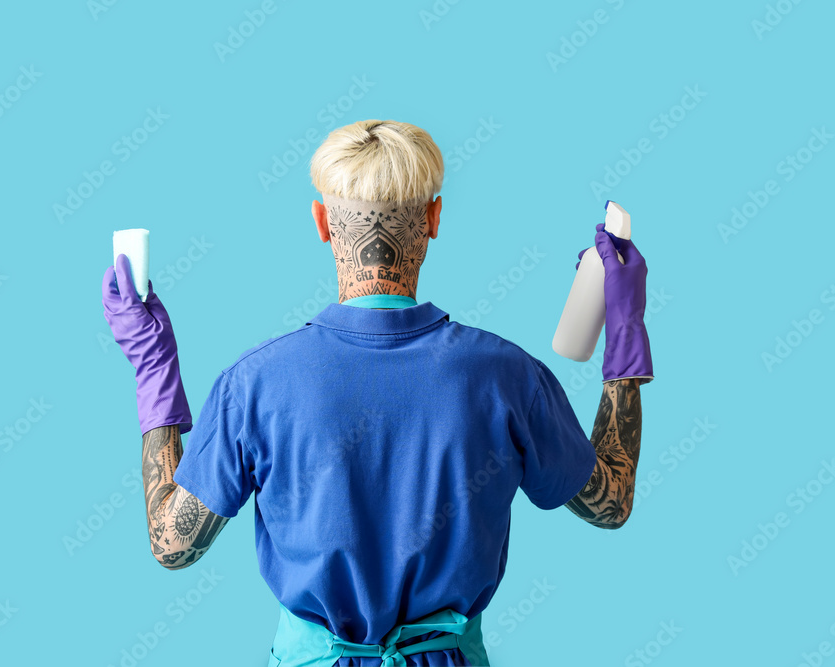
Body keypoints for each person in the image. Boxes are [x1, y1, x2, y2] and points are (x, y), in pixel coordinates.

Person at [101, 119, 653, 666]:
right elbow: (611, 502)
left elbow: (172, 544)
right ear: (435, 218)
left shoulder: (254, 384)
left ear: (321, 221)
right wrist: (624, 333)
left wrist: (154, 367)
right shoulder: (507, 376)